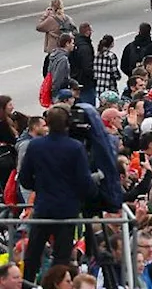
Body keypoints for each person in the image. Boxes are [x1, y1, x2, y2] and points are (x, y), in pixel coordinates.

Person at [19, 106, 97, 285]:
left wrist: (40, 187)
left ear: (47, 124)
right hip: (66, 210)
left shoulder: (36, 145)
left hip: (43, 207)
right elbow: (84, 181)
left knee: (33, 255)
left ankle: (27, 285)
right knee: (61, 259)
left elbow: (24, 178)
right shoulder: (75, 147)